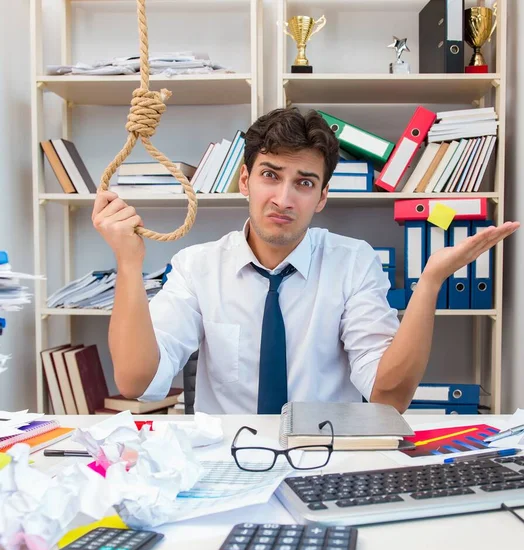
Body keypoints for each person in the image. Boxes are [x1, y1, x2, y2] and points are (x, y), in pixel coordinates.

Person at [92, 107, 519, 415]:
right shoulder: (196, 266)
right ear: (245, 180)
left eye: (304, 183)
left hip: (330, 459)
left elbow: (389, 397)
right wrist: (128, 265)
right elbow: (137, 382)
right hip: (223, 461)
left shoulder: (355, 263)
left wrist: (430, 282)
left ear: (322, 196)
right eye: (270, 175)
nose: (283, 198)